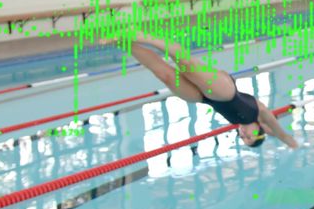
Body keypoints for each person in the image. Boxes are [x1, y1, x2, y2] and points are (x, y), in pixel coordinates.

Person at [106, 35, 299, 149]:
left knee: (164, 75)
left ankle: (122, 42)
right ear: (260, 129)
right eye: (249, 136)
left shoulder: (239, 121)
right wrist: (288, 140)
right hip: (225, 91)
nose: (243, 135)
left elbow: (266, 132)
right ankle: (139, 35)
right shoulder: (259, 113)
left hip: (205, 99)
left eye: (243, 138)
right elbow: (277, 129)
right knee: (186, 63)